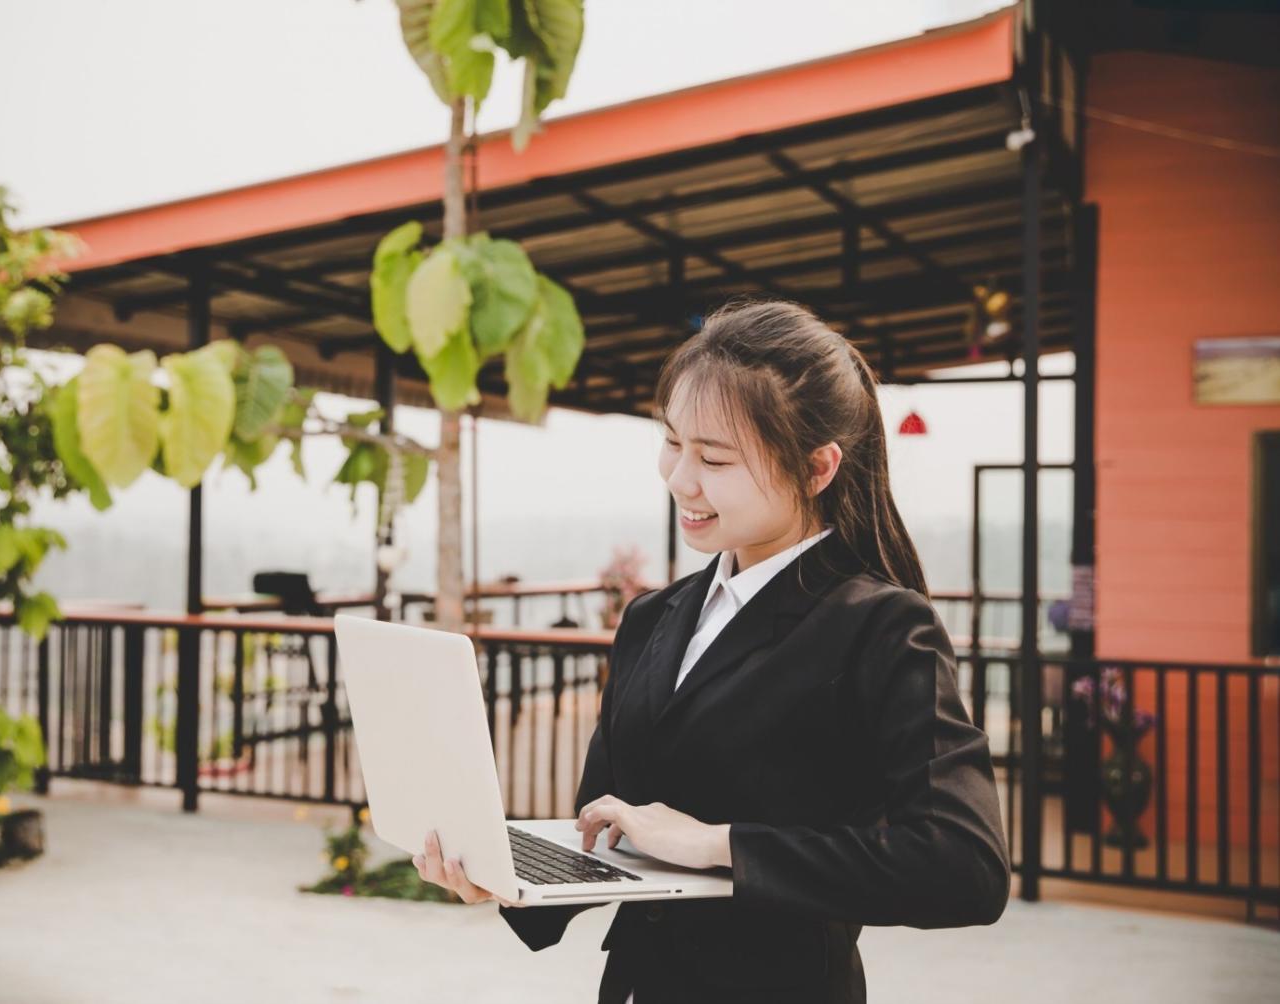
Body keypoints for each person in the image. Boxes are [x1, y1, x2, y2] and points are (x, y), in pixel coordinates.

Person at [413, 298, 1010, 1002]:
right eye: (672, 443)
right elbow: (608, 824)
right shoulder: (651, 617)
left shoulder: (879, 627)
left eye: (714, 457)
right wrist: (505, 875)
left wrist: (718, 844)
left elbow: (963, 865)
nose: (679, 480)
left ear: (817, 468)